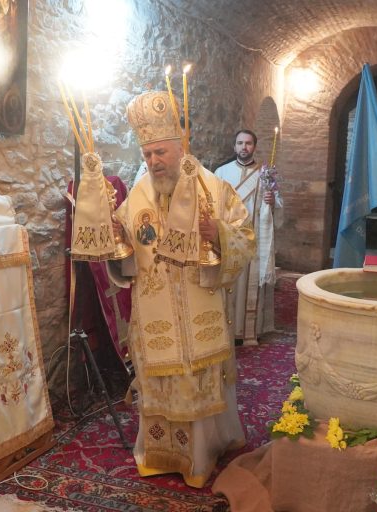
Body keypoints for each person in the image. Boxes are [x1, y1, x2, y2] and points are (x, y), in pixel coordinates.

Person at [107, 91, 256, 488]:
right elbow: (123, 259)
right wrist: (115, 240)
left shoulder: (214, 189)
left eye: (161, 152)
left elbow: (246, 237)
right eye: (148, 155)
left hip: (197, 307)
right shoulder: (137, 196)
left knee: (198, 376)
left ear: (181, 147)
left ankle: (204, 453)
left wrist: (219, 234)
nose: (154, 162)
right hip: (154, 310)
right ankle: (159, 453)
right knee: (159, 380)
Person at [215, 130, 283, 346]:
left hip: (253, 241)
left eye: (248, 143)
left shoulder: (265, 175)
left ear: (255, 146)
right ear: (234, 147)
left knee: (250, 283)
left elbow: (278, 213)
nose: (244, 147)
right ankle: (225, 330)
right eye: (240, 143)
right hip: (228, 240)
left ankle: (250, 331)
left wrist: (272, 202)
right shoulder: (221, 173)